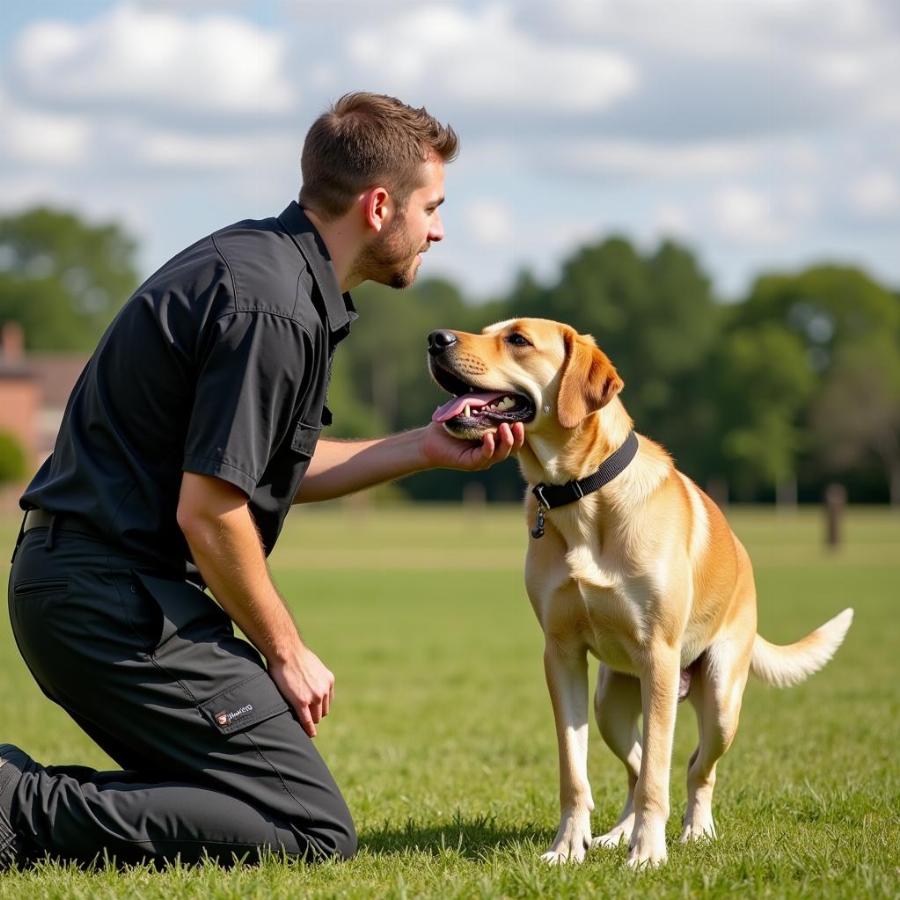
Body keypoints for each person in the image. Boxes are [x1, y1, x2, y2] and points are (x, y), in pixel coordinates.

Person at [1, 92, 525, 869]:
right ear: (381, 206)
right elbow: (211, 512)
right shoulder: (271, 308)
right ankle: (15, 807)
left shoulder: (273, 274)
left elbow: (259, 470)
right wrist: (284, 648)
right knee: (310, 834)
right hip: (105, 602)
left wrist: (422, 446)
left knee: (258, 806)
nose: (439, 230)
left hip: (102, 591)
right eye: (432, 207)